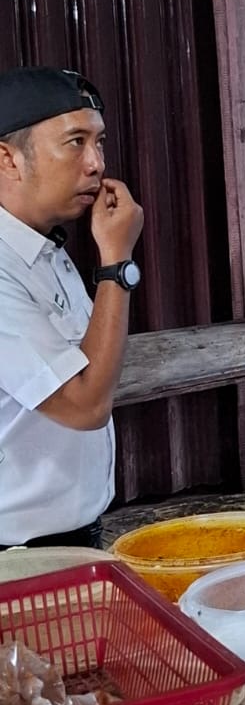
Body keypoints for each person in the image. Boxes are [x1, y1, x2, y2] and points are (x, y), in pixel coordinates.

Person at [0, 67, 143, 548]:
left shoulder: (46, 250)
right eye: (75, 142)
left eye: (99, 143)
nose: (96, 164)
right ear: (8, 159)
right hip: (16, 557)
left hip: (70, 538)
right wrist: (117, 264)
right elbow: (84, 404)